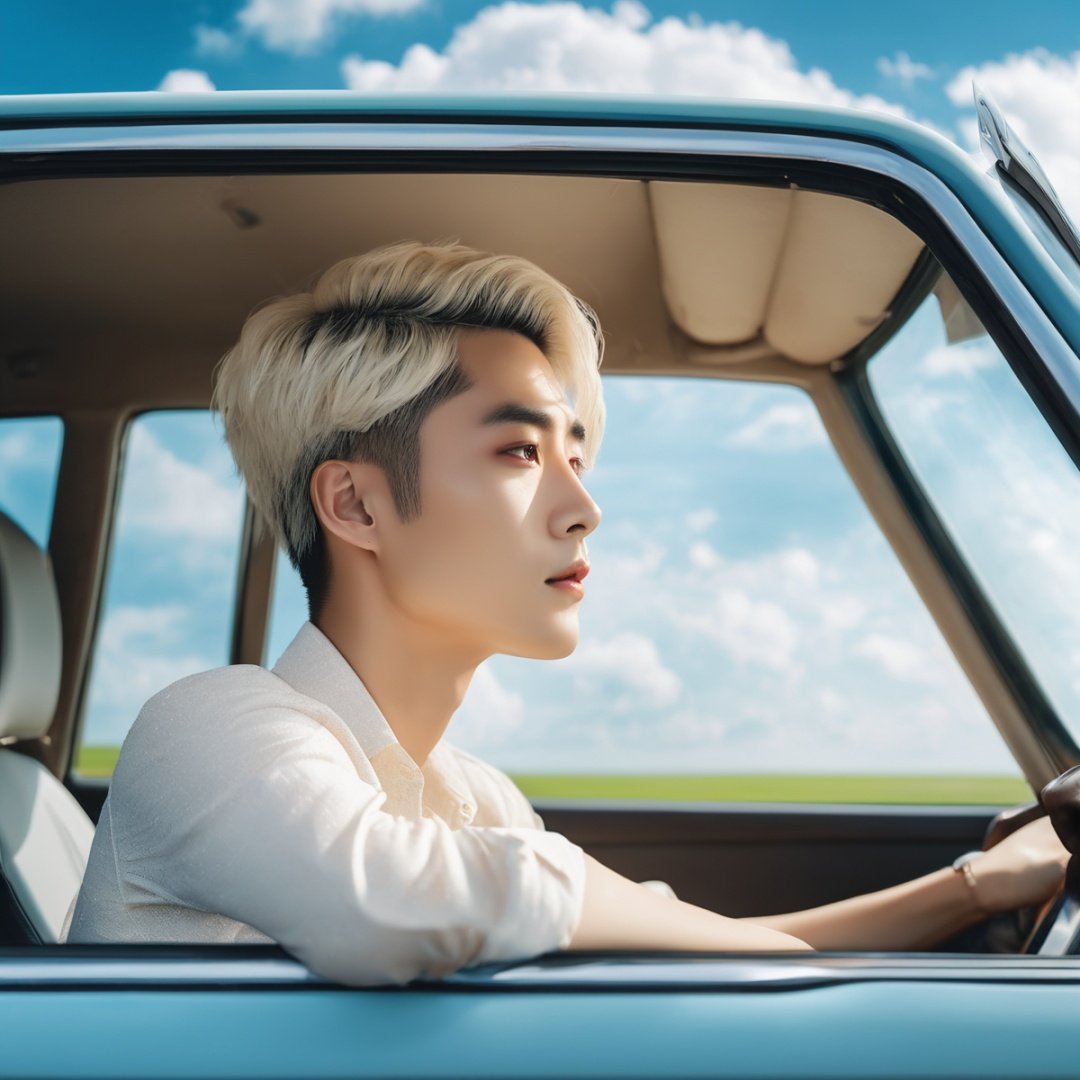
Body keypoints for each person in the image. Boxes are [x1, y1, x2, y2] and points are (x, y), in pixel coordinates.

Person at [67, 240, 1068, 983]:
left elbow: (727, 954)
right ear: (356, 505)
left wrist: (973, 889)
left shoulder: (476, 802)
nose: (583, 506)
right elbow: (383, 908)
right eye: (518, 452)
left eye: (576, 457)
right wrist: (583, 888)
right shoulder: (208, 727)